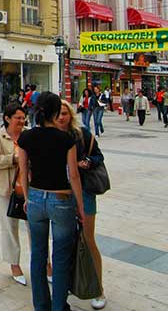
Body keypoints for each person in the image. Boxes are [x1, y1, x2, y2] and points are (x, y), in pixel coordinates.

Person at [17, 92, 85, 311]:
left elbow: (23, 170)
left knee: (38, 255)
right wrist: (81, 208)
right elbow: (73, 175)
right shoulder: (67, 139)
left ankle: (41, 306)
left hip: (35, 198)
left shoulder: (27, 137)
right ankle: (58, 306)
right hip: (61, 199)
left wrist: (27, 197)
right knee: (61, 257)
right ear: (56, 112)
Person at [57, 99, 107, 309]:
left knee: (87, 239)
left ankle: (98, 289)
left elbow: (98, 156)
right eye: (57, 114)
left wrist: (86, 162)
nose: (61, 117)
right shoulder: (50, 135)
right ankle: (67, 285)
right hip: (60, 193)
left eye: (64, 113)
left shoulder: (82, 134)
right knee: (64, 241)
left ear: (71, 114)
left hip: (84, 191)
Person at [0, 104, 29, 285]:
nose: (21, 121)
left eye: (23, 117)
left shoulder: (29, 134)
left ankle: (45, 264)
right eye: (18, 118)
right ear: (7, 118)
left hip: (28, 188)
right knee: (9, 227)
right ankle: (14, 264)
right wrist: (14, 158)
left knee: (35, 227)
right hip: (5, 188)